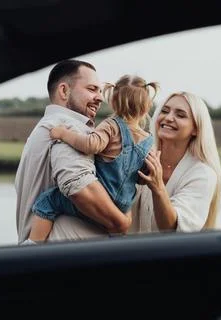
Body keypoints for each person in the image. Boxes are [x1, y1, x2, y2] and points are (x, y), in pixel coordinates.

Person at [28, 75, 159, 243]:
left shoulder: (112, 125)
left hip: (101, 197)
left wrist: (63, 133)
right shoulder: (148, 140)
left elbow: (91, 144)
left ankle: (30, 246)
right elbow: (142, 178)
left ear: (113, 101)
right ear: (146, 107)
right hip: (123, 205)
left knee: (47, 201)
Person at [15, 59, 132, 245]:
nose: (101, 98)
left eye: (100, 91)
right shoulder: (69, 129)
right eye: (92, 89)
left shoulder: (42, 129)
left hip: (40, 254)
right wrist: (121, 223)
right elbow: (79, 187)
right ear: (64, 91)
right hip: (62, 254)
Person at [131, 91, 221, 233]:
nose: (168, 118)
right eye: (164, 111)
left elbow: (171, 228)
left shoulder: (203, 174)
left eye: (180, 115)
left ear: (196, 129)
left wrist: (158, 187)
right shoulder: (138, 156)